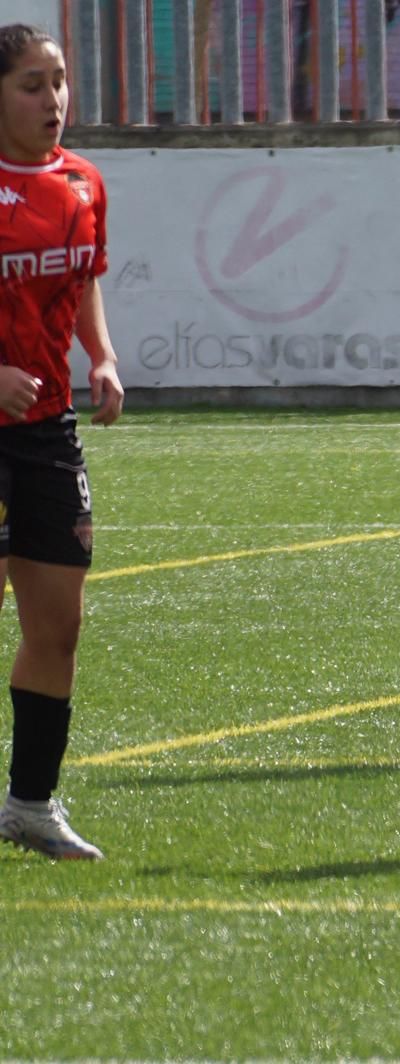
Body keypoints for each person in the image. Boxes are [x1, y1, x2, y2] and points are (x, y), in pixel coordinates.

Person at [0, 24, 126, 860]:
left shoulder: (82, 181)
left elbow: (82, 283)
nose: (53, 100)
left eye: (59, 82)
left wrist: (102, 356)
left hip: (47, 431)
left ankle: (30, 806)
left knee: (58, 626)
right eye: (31, 85)